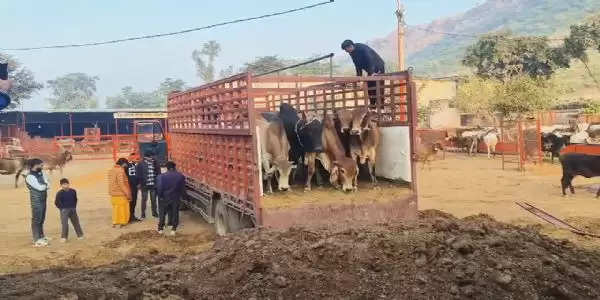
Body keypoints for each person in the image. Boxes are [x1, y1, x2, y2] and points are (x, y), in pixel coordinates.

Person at [341, 39, 386, 106]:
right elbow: (356, 64)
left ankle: (381, 106)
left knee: (378, 86)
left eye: (346, 49)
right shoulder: (352, 53)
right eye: (345, 50)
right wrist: (359, 76)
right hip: (370, 70)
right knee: (370, 87)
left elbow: (370, 59)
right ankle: (372, 106)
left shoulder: (362, 48)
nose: (346, 51)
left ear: (350, 46)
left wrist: (372, 72)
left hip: (378, 66)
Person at [25, 158, 50, 247]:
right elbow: (40, 188)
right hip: (36, 201)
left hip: (43, 199)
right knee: (37, 219)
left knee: (42, 219)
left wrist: (46, 185)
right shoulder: (29, 176)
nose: (42, 166)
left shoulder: (41, 173)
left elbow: (47, 183)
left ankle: (41, 236)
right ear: (35, 165)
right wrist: (46, 185)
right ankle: (36, 239)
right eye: (41, 165)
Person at [156, 161, 185, 235]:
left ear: (167, 168)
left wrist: (160, 196)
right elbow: (182, 189)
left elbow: (159, 188)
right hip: (175, 197)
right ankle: (173, 229)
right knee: (175, 212)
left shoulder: (161, 176)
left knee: (162, 213)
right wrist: (182, 196)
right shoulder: (180, 176)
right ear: (174, 167)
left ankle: (160, 229)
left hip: (164, 197)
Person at [54, 178, 84, 242]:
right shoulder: (59, 193)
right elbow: (56, 203)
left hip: (72, 209)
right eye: (63, 184)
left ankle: (80, 235)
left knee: (76, 222)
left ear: (68, 184)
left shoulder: (73, 191)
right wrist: (62, 209)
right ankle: (64, 237)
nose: (65, 186)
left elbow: (75, 199)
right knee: (65, 224)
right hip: (64, 210)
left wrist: (74, 207)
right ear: (61, 185)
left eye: (66, 184)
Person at [136, 151, 161, 219]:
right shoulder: (140, 164)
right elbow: (137, 175)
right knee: (144, 200)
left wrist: (158, 182)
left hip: (153, 185)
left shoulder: (155, 163)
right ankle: (143, 214)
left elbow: (159, 173)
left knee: (153, 200)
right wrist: (138, 184)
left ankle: (154, 213)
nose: (153, 157)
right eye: (151, 156)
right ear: (146, 157)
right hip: (144, 185)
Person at [108, 158, 132, 228]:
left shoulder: (111, 170)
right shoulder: (120, 171)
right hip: (120, 193)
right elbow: (121, 184)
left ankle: (115, 222)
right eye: (126, 164)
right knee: (122, 208)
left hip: (113, 193)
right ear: (123, 164)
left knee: (115, 208)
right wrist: (127, 194)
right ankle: (122, 222)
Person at [125, 153, 141, 223]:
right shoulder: (126, 166)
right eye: (135, 158)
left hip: (135, 187)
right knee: (129, 202)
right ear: (130, 158)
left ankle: (132, 216)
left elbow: (138, 175)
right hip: (129, 187)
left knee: (134, 202)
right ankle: (128, 217)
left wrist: (139, 183)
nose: (137, 160)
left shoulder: (136, 165)